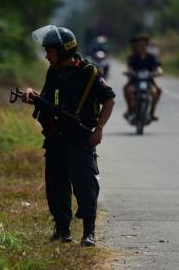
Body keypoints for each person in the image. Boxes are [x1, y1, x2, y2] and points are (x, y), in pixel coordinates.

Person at [21, 25, 115, 247]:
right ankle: (62, 230)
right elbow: (47, 98)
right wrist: (31, 95)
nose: (46, 56)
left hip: (80, 140)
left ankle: (89, 232)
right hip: (55, 139)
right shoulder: (53, 72)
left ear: (63, 51)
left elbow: (109, 99)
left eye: (50, 51)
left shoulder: (89, 73)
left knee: (85, 185)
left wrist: (99, 129)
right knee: (56, 186)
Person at [124, 34, 163, 122]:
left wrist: (159, 71)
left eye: (144, 44)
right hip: (135, 80)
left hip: (149, 80)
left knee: (155, 92)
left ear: (147, 45)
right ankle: (131, 110)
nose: (142, 46)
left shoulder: (152, 57)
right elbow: (129, 67)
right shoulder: (133, 57)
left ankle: (152, 113)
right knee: (128, 90)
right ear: (137, 45)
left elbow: (158, 67)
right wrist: (128, 72)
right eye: (140, 44)